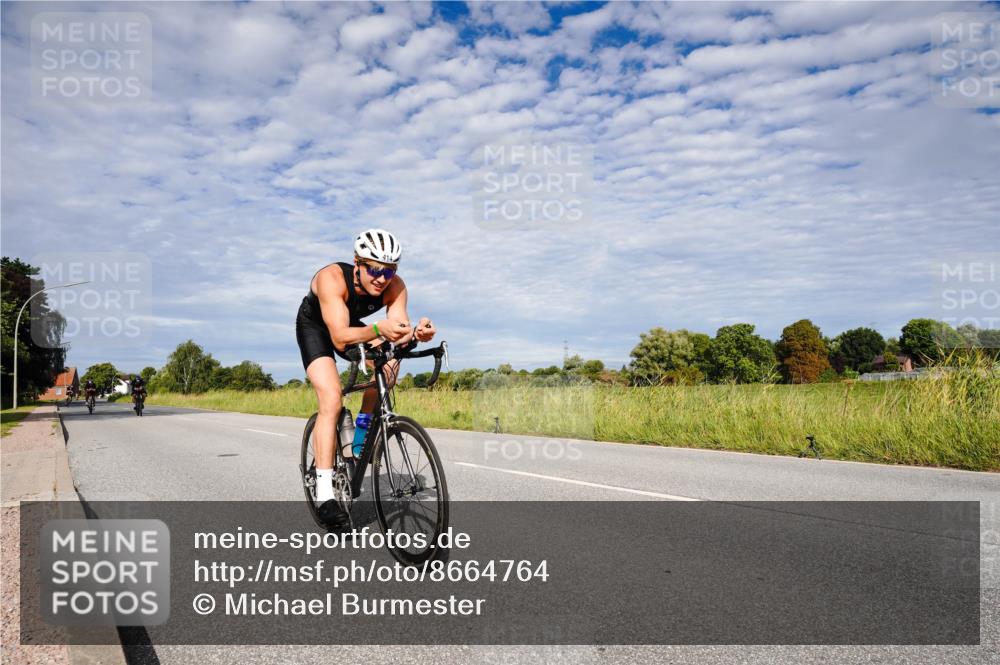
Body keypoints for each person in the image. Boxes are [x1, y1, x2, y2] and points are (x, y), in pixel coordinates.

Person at [295, 229, 436, 529]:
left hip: (353, 326)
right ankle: (323, 493)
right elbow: (339, 336)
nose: (381, 277)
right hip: (318, 328)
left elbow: (397, 330)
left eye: (389, 270)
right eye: (374, 268)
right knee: (331, 398)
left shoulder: (395, 286)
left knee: (389, 366)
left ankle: (358, 439)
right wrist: (377, 330)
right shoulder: (331, 278)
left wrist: (416, 334)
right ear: (357, 262)